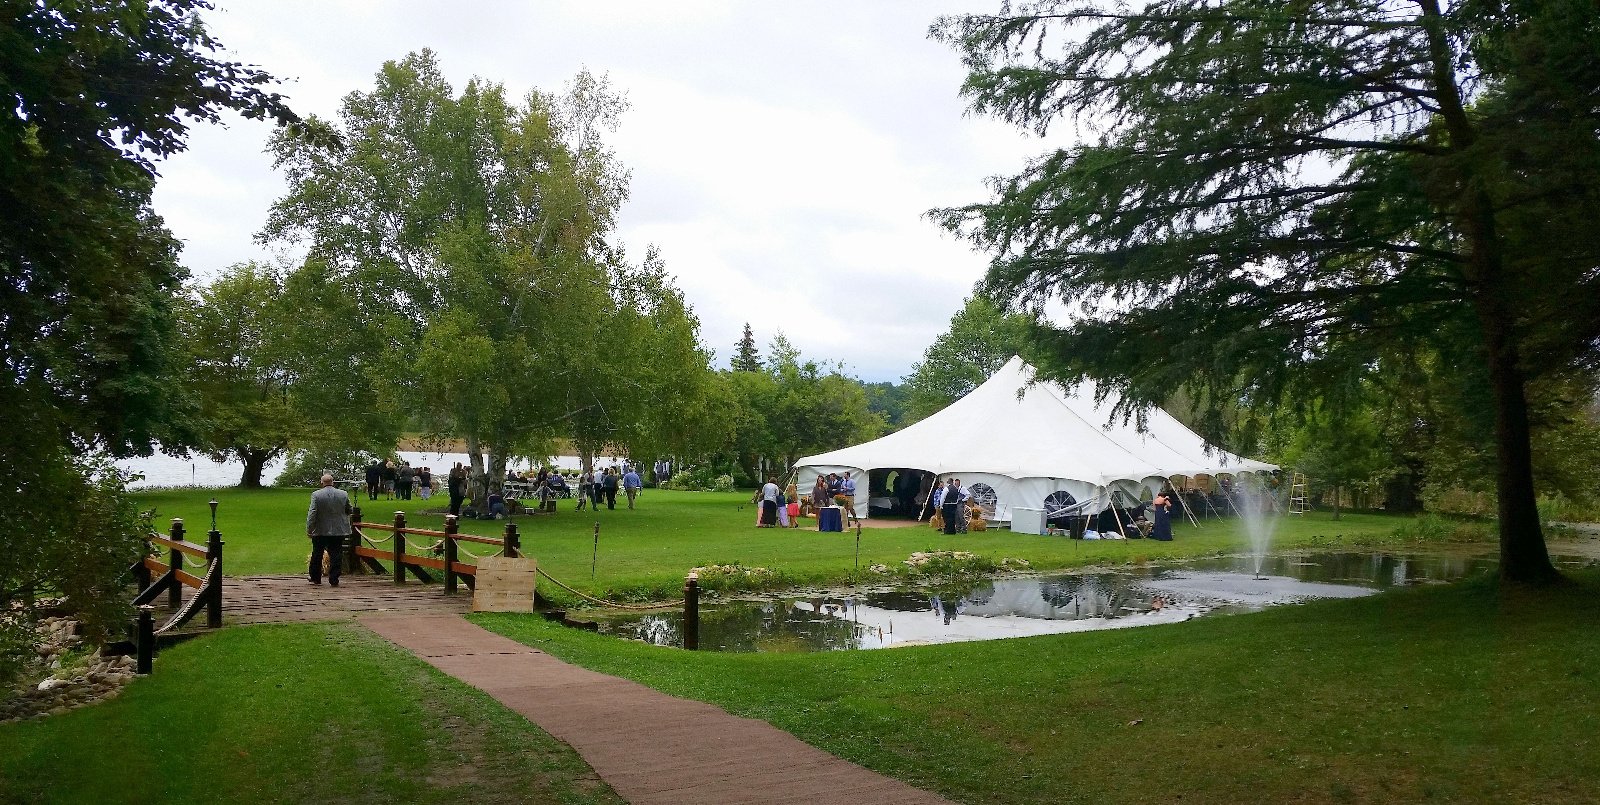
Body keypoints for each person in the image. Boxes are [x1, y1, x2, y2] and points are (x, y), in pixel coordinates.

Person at [306, 474, 352, 586]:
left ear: (322, 483)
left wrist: (310, 528)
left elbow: (312, 513)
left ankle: (315, 577)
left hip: (320, 529)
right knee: (336, 554)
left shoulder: (316, 495)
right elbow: (349, 509)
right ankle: (334, 579)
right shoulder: (343, 494)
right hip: (338, 529)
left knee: (317, 553)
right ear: (333, 482)